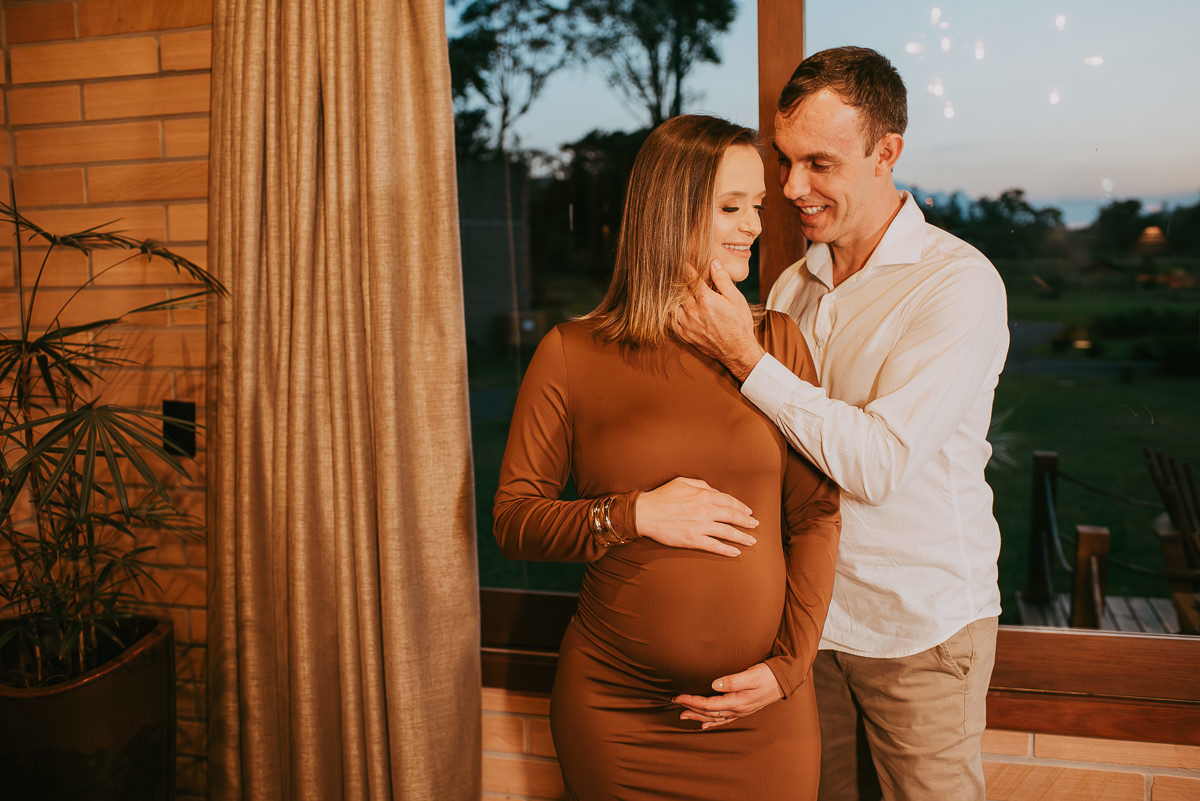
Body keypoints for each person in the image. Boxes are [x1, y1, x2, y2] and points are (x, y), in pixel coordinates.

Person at [675, 47, 1010, 801]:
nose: (792, 187)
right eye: (785, 161)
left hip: (918, 630)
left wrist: (746, 358)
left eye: (819, 163)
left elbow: (877, 466)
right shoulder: (796, 282)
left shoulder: (957, 285)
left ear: (886, 151)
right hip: (808, 627)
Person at [492, 114, 841, 801]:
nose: (753, 226)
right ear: (669, 212)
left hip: (764, 718)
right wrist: (634, 513)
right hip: (616, 716)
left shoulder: (776, 341)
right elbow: (514, 520)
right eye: (730, 207)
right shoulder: (573, 351)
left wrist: (789, 667)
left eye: (757, 208)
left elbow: (817, 516)